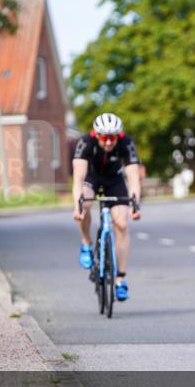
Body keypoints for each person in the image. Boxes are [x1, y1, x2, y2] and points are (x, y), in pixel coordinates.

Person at [71, 113, 142, 301]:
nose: (109, 142)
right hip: (91, 179)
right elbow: (78, 178)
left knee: (122, 224)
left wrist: (135, 204)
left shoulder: (126, 143)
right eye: (104, 137)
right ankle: (86, 243)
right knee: (84, 204)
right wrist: (77, 206)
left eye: (113, 137)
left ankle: (120, 279)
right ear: (96, 135)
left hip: (114, 181)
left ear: (119, 135)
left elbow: (133, 177)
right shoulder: (85, 142)